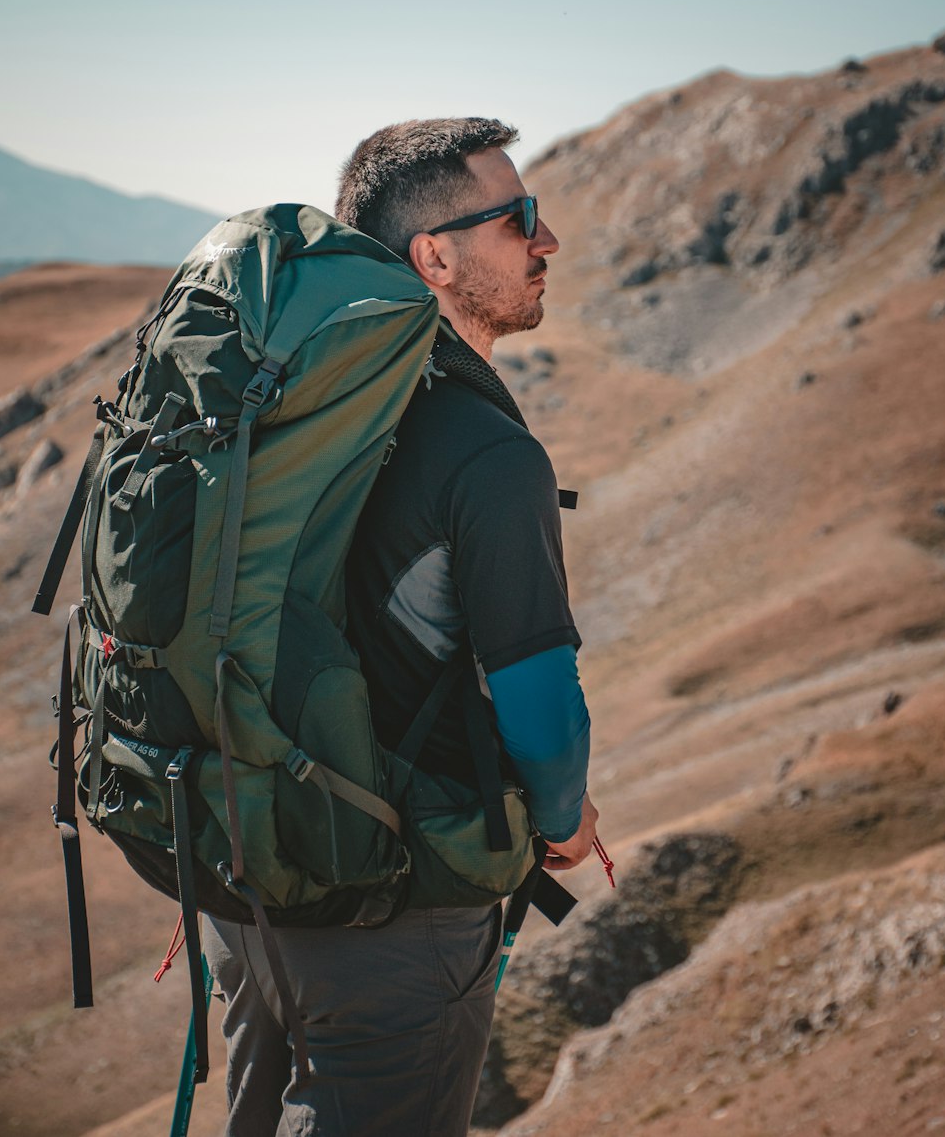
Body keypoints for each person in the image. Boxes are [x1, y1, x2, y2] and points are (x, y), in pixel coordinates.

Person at [202, 117, 597, 1137]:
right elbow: (536, 695)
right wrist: (565, 821)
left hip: (244, 871)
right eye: (520, 220)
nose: (545, 242)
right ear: (435, 256)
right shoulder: (485, 453)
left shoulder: (291, 403)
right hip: (390, 906)